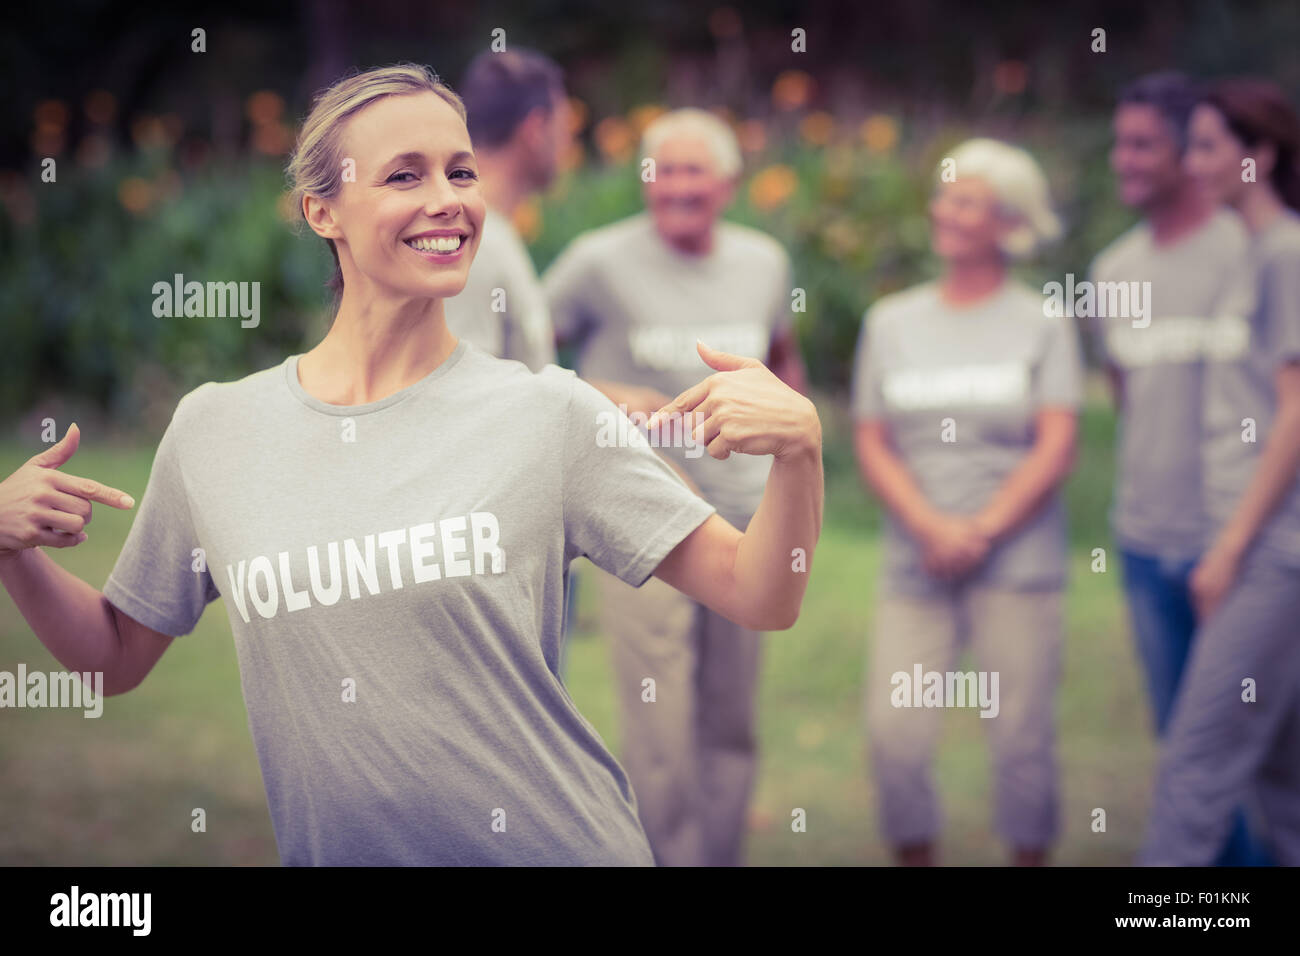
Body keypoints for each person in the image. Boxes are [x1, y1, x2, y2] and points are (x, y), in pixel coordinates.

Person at [0, 63, 824, 867]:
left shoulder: (552, 414)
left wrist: (800, 453)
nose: (449, 199)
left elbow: (760, 592)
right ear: (323, 210)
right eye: (405, 175)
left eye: (461, 171)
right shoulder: (215, 430)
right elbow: (111, 659)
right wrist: (13, 551)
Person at [542, 107, 808, 866]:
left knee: (730, 722)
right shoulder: (598, 261)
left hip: (747, 518)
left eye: (696, 171)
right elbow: (518, 356)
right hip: (643, 527)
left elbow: (784, 365)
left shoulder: (764, 262)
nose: (678, 186)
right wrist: (611, 397)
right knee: (661, 732)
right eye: (663, 170)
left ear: (728, 182)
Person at [852, 138, 1082, 866]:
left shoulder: (1043, 321)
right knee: (895, 735)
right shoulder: (891, 322)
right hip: (915, 562)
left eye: (966, 200)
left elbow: (1056, 444)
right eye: (945, 196)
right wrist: (928, 526)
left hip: (1018, 564)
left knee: (1019, 738)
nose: (945, 211)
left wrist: (980, 530)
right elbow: (871, 438)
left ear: (1009, 221)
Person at [1087, 71, 1265, 865]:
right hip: (1145, 544)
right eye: (1119, 142)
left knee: (1245, 753)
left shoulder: (1251, 253)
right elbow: (1129, 398)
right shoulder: (1110, 273)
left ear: (1191, 154)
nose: (1124, 159)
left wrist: (1237, 541)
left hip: (1243, 547)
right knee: (1183, 747)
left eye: (1143, 144)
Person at [1140, 78, 1300, 866]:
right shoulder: (1252, 254)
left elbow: (1296, 412)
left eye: (1208, 146)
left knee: (1195, 769)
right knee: (1279, 771)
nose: (1192, 162)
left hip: (1273, 550)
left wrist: (1231, 547)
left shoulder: (1288, 253)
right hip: (1259, 544)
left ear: (1259, 156)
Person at [444, 47, 569, 372]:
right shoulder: (476, 241)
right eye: (564, 129)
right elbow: (463, 392)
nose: (568, 145)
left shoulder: (491, 233)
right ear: (536, 130)